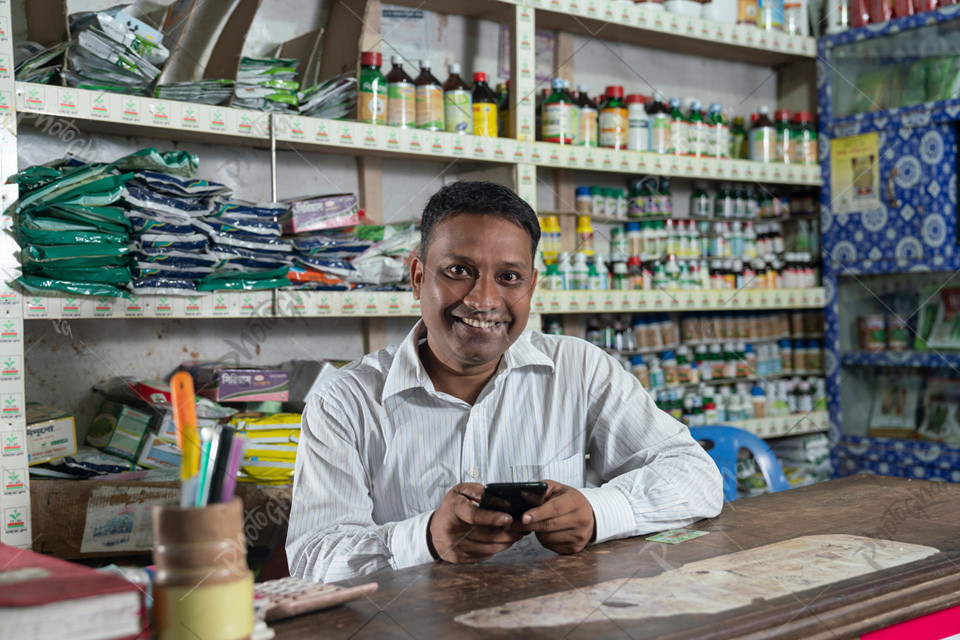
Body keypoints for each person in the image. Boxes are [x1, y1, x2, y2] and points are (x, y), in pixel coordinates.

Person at [287, 181, 723, 582]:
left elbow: (695, 476)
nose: (483, 300)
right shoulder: (343, 401)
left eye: (509, 277)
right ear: (418, 277)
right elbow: (313, 558)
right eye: (458, 271)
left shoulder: (581, 370)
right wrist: (425, 539)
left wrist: (599, 511)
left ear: (531, 287)